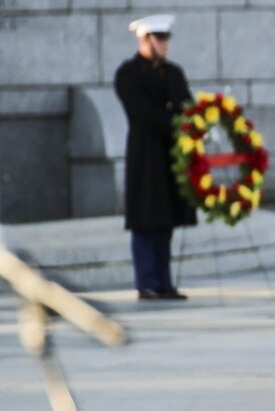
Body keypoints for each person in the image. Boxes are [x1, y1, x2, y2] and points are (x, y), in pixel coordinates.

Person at [114, 14, 196, 301]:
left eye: (165, 38)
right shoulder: (128, 73)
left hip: (169, 157)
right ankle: (147, 281)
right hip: (145, 157)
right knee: (146, 221)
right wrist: (174, 119)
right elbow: (143, 113)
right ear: (145, 39)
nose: (164, 44)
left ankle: (163, 283)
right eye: (159, 38)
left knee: (166, 220)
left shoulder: (172, 73)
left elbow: (187, 106)